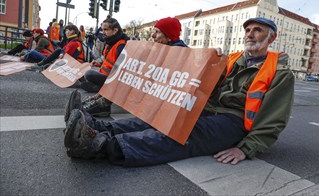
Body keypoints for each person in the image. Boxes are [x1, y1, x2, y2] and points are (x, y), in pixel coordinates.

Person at [63, 17, 294, 167]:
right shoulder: (231, 59)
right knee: (161, 120)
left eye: (258, 30)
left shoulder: (280, 72)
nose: (250, 34)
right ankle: (95, 126)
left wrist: (246, 148)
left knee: (183, 134)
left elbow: (274, 120)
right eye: (248, 30)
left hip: (233, 121)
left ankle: (101, 146)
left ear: (271, 37)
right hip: (209, 110)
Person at [80, 17, 188, 117]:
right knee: (126, 75)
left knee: (127, 77)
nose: (153, 36)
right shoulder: (164, 49)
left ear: (169, 36)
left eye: (157, 32)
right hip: (153, 92)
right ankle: (100, 100)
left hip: (163, 98)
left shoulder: (179, 53)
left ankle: (102, 103)